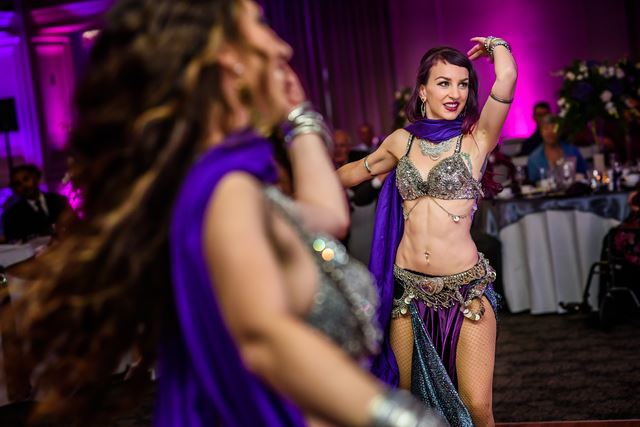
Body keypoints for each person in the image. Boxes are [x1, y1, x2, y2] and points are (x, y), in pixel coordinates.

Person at [7, 1, 441, 426]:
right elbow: (264, 340)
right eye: (261, 25)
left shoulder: (217, 179)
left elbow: (327, 216)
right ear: (226, 57)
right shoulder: (224, 188)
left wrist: (298, 116)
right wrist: (407, 420)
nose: (283, 48)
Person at [339, 39, 517, 425]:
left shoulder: (477, 139)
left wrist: (496, 45)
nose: (455, 93)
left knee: (477, 406)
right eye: (443, 83)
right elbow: (355, 172)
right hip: (409, 292)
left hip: (466, 292)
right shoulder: (401, 141)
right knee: (412, 403)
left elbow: (506, 78)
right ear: (422, 90)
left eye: (463, 84)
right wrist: (295, 187)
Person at [2, 164, 70, 242]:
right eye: (18, 184)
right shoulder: (12, 216)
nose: (24, 185)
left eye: (26, 179)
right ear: (15, 190)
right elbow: (15, 242)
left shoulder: (59, 200)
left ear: (36, 178)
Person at [526, 114, 587, 183]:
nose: (550, 132)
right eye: (546, 128)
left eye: (553, 128)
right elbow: (533, 183)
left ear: (560, 131)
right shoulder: (534, 159)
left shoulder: (573, 151)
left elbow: (584, 174)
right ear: (541, 132)